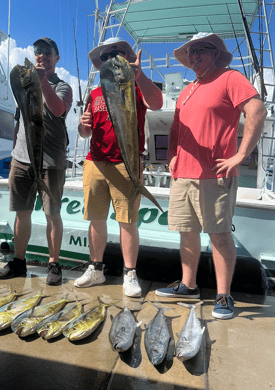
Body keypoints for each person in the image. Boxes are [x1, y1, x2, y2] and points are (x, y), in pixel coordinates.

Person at [155, 33, 267, 319]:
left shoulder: (229, 78)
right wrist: (171, 156)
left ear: (215, 52)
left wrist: (241, 154)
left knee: (219, 236)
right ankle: (188, 285)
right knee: (186, 233)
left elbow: (257, 110)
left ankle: (223, 295)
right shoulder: (187, 89)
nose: (193, 56)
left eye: (200, 50)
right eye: (189, 52)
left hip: (214, 173)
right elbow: (177, 128)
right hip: (183, 175)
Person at [73, 37, 163, 297]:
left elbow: (156, 103)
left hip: (126, 164)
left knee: (127, 222)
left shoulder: (136, 85)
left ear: (127, 56)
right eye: (107, 55)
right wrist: (82, 125)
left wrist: (140, 76)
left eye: (118, 52)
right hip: (95, 162)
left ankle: (130, 272)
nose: (112, 57)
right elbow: (85, 133)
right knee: (96, 219)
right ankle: (96, 268)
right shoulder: (95, 91)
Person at [0, 37, 73, 285]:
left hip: (51, 162)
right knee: (22, 213)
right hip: (22, 160)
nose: (43, 56)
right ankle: (19, 261)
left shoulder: (63, 86)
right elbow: (21, 120)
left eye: (48, 52)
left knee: (53, 215)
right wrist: (16, 151)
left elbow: (58, 108)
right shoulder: (25, 84)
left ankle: (53, 263)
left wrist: (41, 81)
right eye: (38, 52)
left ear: (57, 58)